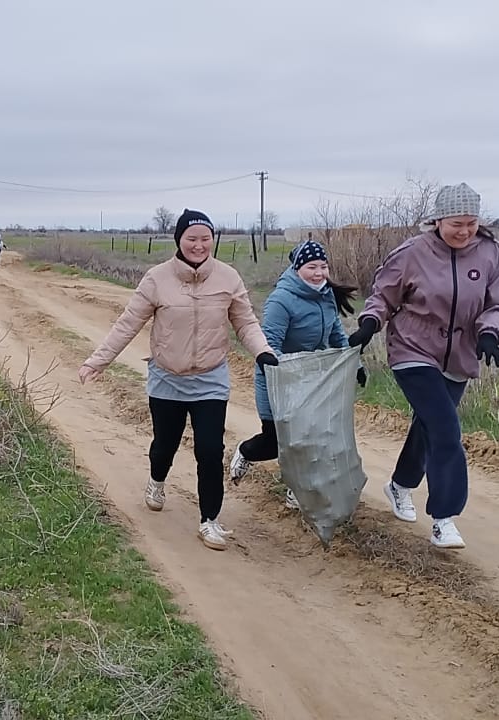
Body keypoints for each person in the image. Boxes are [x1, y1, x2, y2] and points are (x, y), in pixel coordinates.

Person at [79, 209, 276, 551]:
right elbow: (128, 324)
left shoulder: (228, 278)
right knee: (164, 446)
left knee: (210, 450)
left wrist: (263, 352)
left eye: (205, 239)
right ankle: (157, 480)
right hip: (167, 379)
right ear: (179, 241)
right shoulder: (157, 279)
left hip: (210, 379)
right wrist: (99, 361)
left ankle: (209, 520)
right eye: (192, 239)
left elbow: (245, 323)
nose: (199, 245)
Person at [346, 183, 499, 549]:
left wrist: (489, 334)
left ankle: (400, 485)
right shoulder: (413, 253)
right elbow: (384, 295)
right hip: (413, 349)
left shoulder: (491, 254)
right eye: (457, 222)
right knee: (445, 427)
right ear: (438, 219)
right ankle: (444, 517)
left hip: (461, 354)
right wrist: (371, 323)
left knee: (429, 426)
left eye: (471, 223)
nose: (465, 231)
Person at [229, 240, 365, 509]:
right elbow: (269, 346)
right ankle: (245, 452)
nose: (319, 273)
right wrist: (287, 371)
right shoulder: (282, 300)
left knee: (313, 437)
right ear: (297, 268)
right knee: (276, 442)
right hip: (277, 379)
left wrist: (356, 365)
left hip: (310, 382)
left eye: (323, 267)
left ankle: (298, 490)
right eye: (312, 267)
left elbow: (337, 336)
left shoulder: (326, 296)